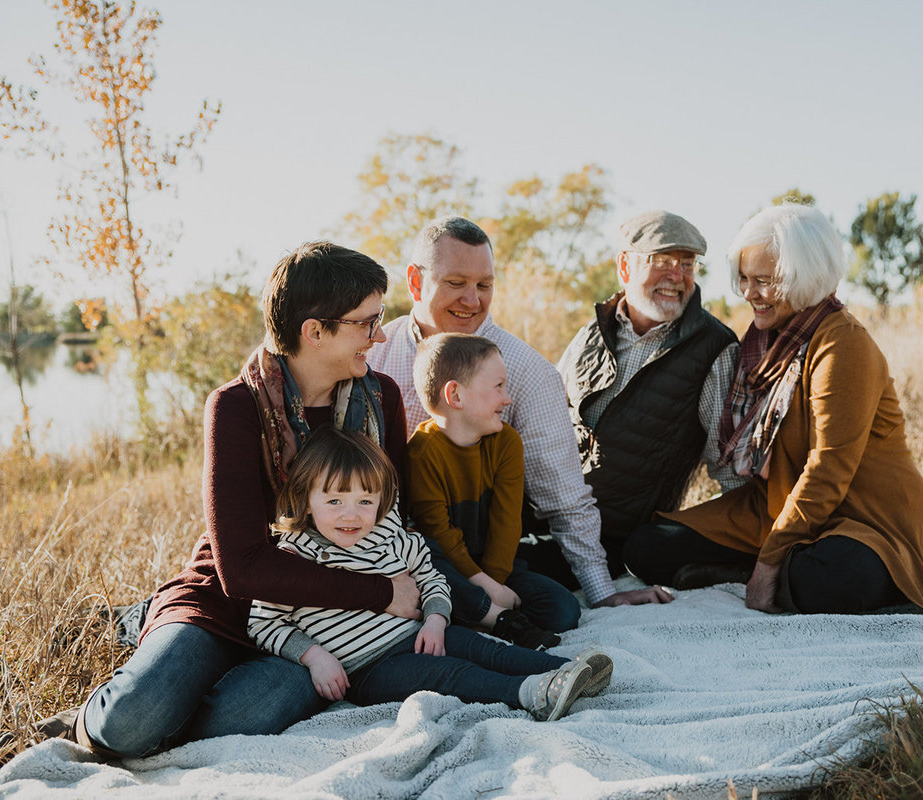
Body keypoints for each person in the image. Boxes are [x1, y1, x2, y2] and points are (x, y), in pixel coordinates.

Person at [39, 242, 421, 757]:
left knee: (245, 716)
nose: (378, 337)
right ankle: (121, 681)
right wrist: (379, 594)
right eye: (366, 323)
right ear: (315, 331)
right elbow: (240, 569)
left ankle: (167, 688)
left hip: (313, 625)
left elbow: (395, 518)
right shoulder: (235, 407)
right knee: (129, 726)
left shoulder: (383, 398)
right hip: (226, 602)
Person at [624, 205, 923, 615]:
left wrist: (768, 561)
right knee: (646, 547)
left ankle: (774, 567)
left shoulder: (842, 343)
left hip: (863, 519)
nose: (749, 293)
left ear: (806, 277)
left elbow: (828, 471)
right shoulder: (764, 341)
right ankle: (771, 562)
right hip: (776, 505)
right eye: (744, 279)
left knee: (827, 579)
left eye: (764, 281)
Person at [367, 215, 670, 608]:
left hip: (478, 550)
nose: (472, 300)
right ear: (414, 282)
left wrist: (601, 591)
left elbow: (563, 494)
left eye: (484, 285)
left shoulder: (525, 371)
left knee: (559, 610)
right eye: (456, 283)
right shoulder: (373, 351)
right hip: (374, 547)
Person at [248, 426, 611, 720]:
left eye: (365, 501)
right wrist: (315, 657)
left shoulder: (388, 535)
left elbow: (430, 576)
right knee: (450, 675)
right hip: (369, 667)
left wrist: (436, 619)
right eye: (333, 501)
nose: (350, 515)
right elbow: (263, 623)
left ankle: (568, 670)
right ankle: (532, 694)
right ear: (306, 500)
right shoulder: (294, 554)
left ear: (381, 501)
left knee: (482, 648)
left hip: (420, 634)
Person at [554, 210, 736, 578]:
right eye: (662, 261)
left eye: (687, 264)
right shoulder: (591, 332)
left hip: (618, 534)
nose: (676, 275)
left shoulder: (714, 347)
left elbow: (728, 465)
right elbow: (546, 420)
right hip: (554, 513)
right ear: (625, 267)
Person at [406, 333, 581, 650]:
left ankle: (477, 615)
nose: (507, 398)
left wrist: (496, 582)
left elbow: (507, 523)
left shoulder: (506, 442)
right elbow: (440, 534)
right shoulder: (423, 453)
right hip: (449, 572)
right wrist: (483, 585)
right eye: (498, 386)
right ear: (455, 395)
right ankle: (492, 616)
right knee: (428, 556)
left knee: (563, 610)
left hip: (498, 567)